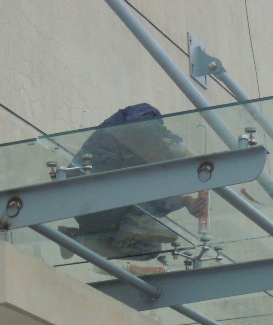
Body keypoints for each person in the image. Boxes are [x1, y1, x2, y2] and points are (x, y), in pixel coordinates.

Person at [66, 103, 207, 275]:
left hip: (100, 216)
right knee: (146, 225)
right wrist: (176, 147)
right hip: (87, 191)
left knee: (151, 247)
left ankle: (78, 240)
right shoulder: (145, 116)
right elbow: (138, 122)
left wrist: (186, 201)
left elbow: (152, 203)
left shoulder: (148, 175)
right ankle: (86, 240)